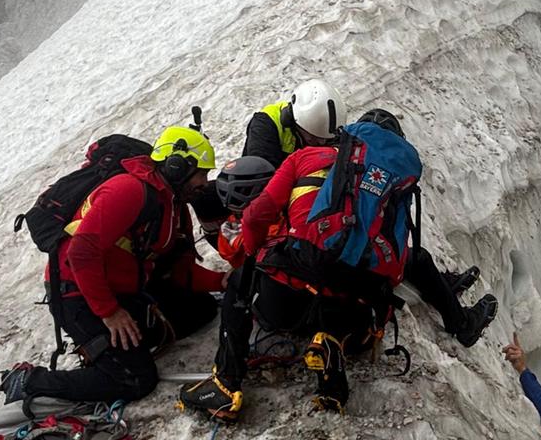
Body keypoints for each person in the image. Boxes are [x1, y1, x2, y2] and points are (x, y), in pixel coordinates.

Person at [177, 108, 498, 421]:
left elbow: (260, 213)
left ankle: (226, 383)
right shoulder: (392, 181)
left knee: (240, 279)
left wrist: (255, 256)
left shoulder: (306, 157)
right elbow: (399, 260)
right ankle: (334, 342)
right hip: (355, 317)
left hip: (284, 304)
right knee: (370, 282)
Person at [3, 122, 226, 405]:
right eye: (201, 174)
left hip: (122, 288)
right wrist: (109, 312)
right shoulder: (129, 190)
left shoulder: (171, 203)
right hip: (77, 294)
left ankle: (114, 345)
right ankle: (30, 381)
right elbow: (81, 253)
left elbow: (175, 267)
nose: (204, 183)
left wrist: (220, 282)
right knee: (135, 379)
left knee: (201, 309)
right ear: (176, 167)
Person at [241, 79, 341, 167]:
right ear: (299, 124)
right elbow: (261, 173)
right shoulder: (265, 125)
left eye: (326, 139)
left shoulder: (331, 129)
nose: (321, 143)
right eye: (314, 137)